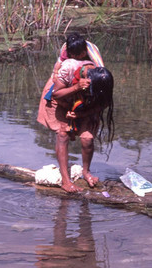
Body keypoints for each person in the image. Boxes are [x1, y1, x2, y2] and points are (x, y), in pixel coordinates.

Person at [37, 47, 114, 193]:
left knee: (87, 138)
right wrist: (76, 88)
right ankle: (65, 181)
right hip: (61, 95)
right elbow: (56, 95)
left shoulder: (101, 79)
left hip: (82, 103)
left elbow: (103, 104)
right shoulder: (69, 69)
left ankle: (86, 172)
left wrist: (80, 115)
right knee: (63, 134)